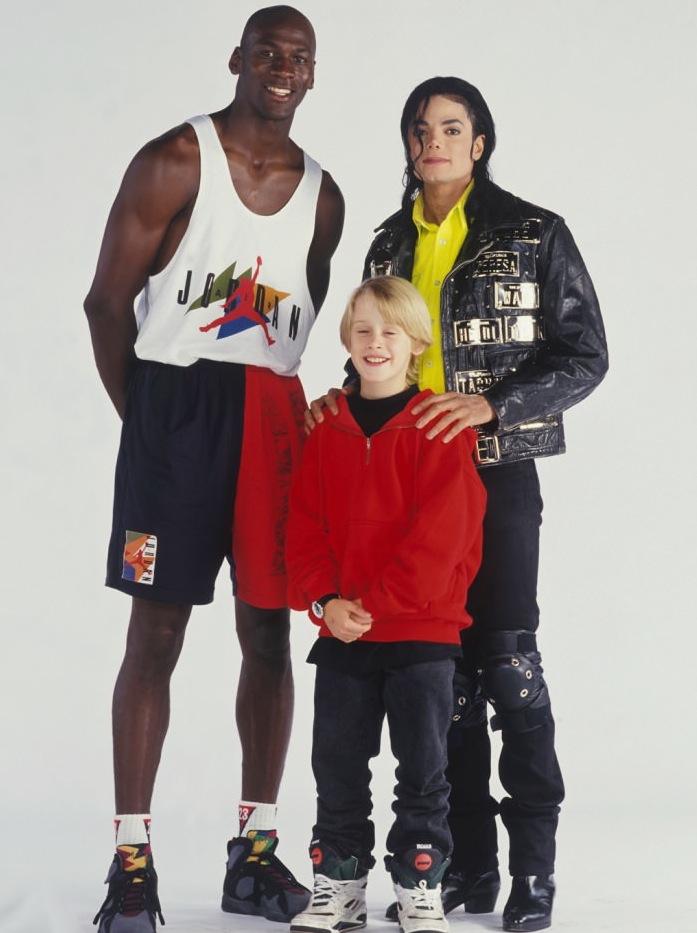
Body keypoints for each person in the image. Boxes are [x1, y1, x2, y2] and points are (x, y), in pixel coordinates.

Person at [309, 77, 608, 932]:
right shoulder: (386, 241)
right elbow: (374, 347)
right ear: (408, 145)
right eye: (419, 129)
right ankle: (464, 867)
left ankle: (533, 873)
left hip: (495, 471)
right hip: (400, 481)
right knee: (441, 678)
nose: (432, 142)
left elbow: (585, 354)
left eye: (450, 128)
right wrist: (340, 400)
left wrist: (492, 405)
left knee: (508, 666)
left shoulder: (533, 231)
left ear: (479, 143)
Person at [84, 7, 344, 931]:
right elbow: (106, 303)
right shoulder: (174, 160)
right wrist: (147, 422)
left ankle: (255, 853)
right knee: (155, 635)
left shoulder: (324, 197)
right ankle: (131, 863)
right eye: (268, 51)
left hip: (271, 420)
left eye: (299, 58)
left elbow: (294, 327)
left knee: (268, 634)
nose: (282, 67)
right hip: (174, 408)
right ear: (238, 58)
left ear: (312, 75)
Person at [285, 276, 487, 933]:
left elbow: (443, 538)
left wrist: (368, 603)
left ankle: (418, 887)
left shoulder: (438, 429)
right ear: (347, 340)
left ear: (416, 344)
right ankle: (339, 888)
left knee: (423, 771)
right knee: (336, 768)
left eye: (390, 332)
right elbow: (304, 527)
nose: (376, 343)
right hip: (343, 634)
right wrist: (326, 602)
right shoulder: (326, 430)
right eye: (363, 330)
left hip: (421, 635)